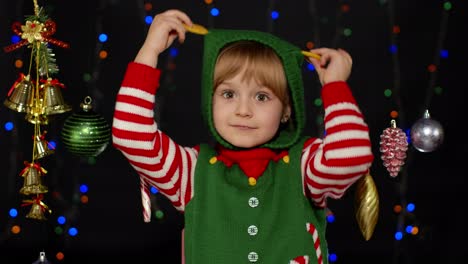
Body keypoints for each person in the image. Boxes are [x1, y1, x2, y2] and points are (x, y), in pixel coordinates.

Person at [112, 9, 374, 264]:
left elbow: (350, 157)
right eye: (228, 94)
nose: (243, 110)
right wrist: (150, 50)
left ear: (285, 110)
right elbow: (130, 135)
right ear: (209, 101)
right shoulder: (191, 171)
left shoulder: (304, 167)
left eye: (262, 97)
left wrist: (335, 86)